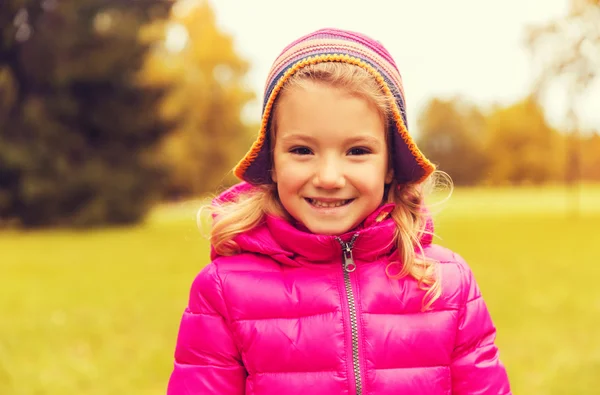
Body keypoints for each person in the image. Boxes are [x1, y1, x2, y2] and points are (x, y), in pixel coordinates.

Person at [166, 27, 511, 395]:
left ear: (391, 164)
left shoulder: (447, 284)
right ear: (273, 163)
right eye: (302, 150)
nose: (329, 177)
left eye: (357, 151)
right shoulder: (222, 290)